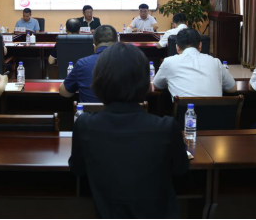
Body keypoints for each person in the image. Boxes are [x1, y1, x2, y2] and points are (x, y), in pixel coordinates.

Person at [69, 42, 189, 218]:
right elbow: (180, 169)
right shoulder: (166, 127)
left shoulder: (84, 125)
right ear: (145, 83)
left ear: (98, 81)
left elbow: (78, 169)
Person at [154, 28, 235, 97]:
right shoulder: (216, 62)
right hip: (217, 111)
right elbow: (232, 88)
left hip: (186, 111)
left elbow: (156, 85)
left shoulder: (168, 62)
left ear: (177, 47)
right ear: (200, 46)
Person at [59, 25, 118, 102]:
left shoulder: (83, 64)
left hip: (90, 110)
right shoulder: (129, 61)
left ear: (94, 46)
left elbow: (64, 92)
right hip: (122, 110)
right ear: (118, 43)